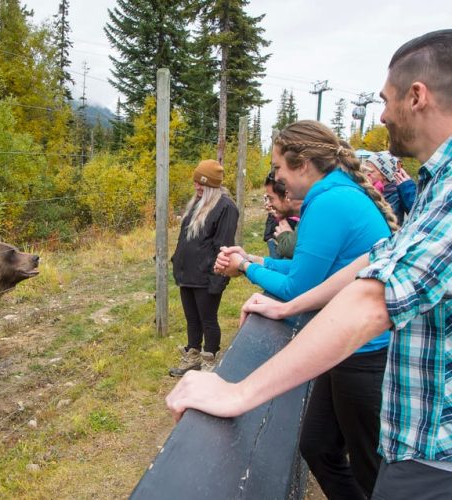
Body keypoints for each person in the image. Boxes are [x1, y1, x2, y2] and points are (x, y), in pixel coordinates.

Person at [167, 29, 452, 499]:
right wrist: (280, 302)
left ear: (417, 96)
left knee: (362, 465)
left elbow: (371, 296)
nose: (380, 114)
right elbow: (372, 263)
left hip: (431, 447)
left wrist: (239, 391)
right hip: (413, 419)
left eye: (385, 100)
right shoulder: (431, 184)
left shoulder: (335, 202)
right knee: (323, 446)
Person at [214, 120, 397, 499]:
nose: (277, 177)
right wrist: (255, 261)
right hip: (344, 344)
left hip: (363, 353)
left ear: (302, 165)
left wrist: (247, 268)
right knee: (318, 446)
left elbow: (301, 286)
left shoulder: (328, 202)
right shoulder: (334, 195)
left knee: (370, 469)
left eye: (279, 167)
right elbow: (307, 270)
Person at [169, 159, 238, 377]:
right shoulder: (197, 203)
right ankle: (193, 356)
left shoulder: (226, 207)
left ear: (213, 185)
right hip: (187, 273)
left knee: (208, 319)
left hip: (207, 275)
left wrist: (218, 278)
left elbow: (224, 246)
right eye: (196, 182)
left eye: (202, 183)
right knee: (192, 319)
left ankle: (210, 359)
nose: (197, 187)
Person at [364, 151, 417, 225]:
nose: (367, 174)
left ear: (385, 174)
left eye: (372, 172)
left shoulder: (395, 194)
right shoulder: (369, 189)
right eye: (365, 170)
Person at [264, 172, 301, 259]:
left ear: (287, 196)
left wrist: (286, 238)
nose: (268, 204)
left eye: (271, 198)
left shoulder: (311, 221)